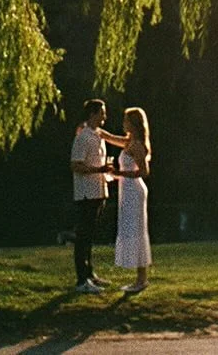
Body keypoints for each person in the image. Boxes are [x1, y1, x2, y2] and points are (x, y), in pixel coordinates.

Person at [69, 98, 126, 293]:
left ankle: (89, 273)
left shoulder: (97, 135)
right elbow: (76, 165)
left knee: (90, 234)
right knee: (83, 235)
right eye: (102, 112)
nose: (105, 116)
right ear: (92, 114)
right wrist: (100, 169)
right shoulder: (83, 137)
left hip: (99, 190)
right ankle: (81, 280)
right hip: (86, 192)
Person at [111, 105, 152, 292]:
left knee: (137, 231)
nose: (123, 123)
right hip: (126, 191)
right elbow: (112, 138)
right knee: (131, 230)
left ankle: (141, 279)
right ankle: (139, 278)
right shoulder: (129, 142)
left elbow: (144, 172)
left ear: (133, 124)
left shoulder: (137, 146)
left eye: (126, 120)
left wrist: (120, 173)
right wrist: (96, 132)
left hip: (134, 191)